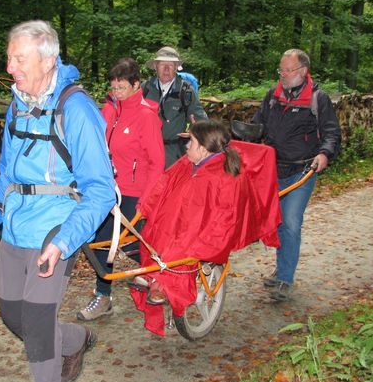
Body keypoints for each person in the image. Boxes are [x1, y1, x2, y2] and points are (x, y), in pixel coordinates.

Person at [0, 21, 116, 382]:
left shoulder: (78, 109)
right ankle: (76, 338)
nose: (10, 66)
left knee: (34, 316)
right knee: (14, 314)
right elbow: (5, 178)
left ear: (48, 60)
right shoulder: (18, 105)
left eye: (19, 58)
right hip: (15, 226)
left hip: (55, 227)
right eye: (9, 57)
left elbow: (101, 190)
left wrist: (65, 240)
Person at [130, 120, 281, 335]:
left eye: (190, 142)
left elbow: (227, 218)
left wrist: (205, 241)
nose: (186, 147)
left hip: (204, 231)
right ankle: (153, 274)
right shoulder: (187, 163)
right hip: (178, 221)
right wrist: (145, 208)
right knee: (152, 233)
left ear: (203, 147)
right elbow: (163, 183)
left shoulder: (227, 176)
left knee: (180, 248)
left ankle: (165, 284)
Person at [77, 58, 164, 321]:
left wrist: (145, 200)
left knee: (132, 245)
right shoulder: (109, 110)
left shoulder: (146, 117)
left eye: (122, 88)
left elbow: (157, 161)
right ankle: (103, 297)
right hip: (107, 189)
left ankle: (162, 277)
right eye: (113, 88)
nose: (116, 93)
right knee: (99, 242)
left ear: (136, 85)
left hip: (135, 190)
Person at [252, 48, 341, 301]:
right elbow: (257, 125)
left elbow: (332, 132)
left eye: (288, 70)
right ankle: (282, 269)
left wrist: (324, 154)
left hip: (302, 170)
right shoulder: (273, 96)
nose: (283, 75)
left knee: (290, 222)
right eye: (281, 70)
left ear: (303, 71)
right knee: (276, 221)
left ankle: (285, 279)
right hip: (272, 170)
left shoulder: (318, 99)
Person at [143, 46, 207, 167]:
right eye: (162, 64)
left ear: (176, 67)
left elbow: (201, 120)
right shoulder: (145, 89)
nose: (166, 69)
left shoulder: (186, 91)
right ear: (155, 66)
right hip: (146, 153)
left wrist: (196, 131)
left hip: (173, 155)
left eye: (171, 65)